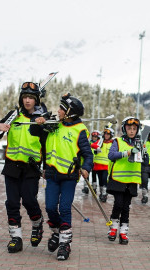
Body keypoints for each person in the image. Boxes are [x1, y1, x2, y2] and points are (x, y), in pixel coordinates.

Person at [0, 81, 48, 253]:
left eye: (31, 97)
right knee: (12, 203)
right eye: (25, 97)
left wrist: (45, 167)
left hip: (31, 167)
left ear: (37, 99)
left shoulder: (42, 119)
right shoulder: (13, 115)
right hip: (12, 166)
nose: (27, 101)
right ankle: (16, 237)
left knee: (29, 200)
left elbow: (47, 145)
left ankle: (37, 224)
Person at [44, 93, 93, 260]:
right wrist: (41, 124)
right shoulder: (54, 125)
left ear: (70, 112)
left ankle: (65, 244)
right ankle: (58, 233)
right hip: (51, 174)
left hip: (69, 177)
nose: (58, 111)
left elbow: (88, 154)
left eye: (62, 109)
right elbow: (38, 136)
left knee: (64, 208)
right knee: (50, 207)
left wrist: (86, 168)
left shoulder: (79, 130)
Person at [107, 116, 145, 245]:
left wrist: (144, 154)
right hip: (118, 179)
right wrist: (127, 152)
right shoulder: (117, 141)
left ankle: (123, 231)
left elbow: (145, 161)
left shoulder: (140, 143)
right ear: (124, 129)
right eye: (129, 128)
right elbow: (111, 155)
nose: (132, 131)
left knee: (126, 207)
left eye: (134, 129)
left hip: (132, 180)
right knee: (118, 204)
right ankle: (113, 228)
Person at [90, 127, 114, 202]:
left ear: (111, 135)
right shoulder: (101, 141)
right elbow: (92, 145)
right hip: (97, 165)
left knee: (104, 179)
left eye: (108, 134)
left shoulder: (113, 143)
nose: (106, 135)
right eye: (105, 134)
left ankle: (104, 194)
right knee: (100, 180)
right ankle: (101, 193)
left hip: (106, 165)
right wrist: (97, 147)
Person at [82, 130, 100, 194]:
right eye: (93, 136)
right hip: (88, 161)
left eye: (95, 137)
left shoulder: (99, 143)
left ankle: (94, 188)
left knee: (94, 175)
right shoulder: (88, 142)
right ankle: (86, 187)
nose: (94, 138)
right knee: (87, 173)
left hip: (95, 161)